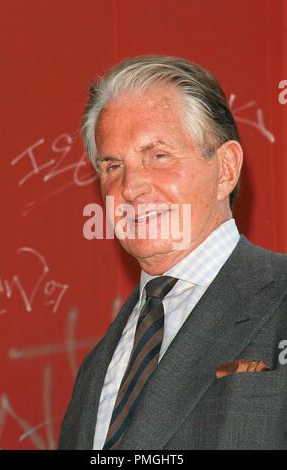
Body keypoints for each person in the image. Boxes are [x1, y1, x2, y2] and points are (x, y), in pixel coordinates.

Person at [58, 55, 287, 450]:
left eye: (158, 156)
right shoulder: (98, 366)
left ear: (226, 169)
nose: (130, 187)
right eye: (112, 166)